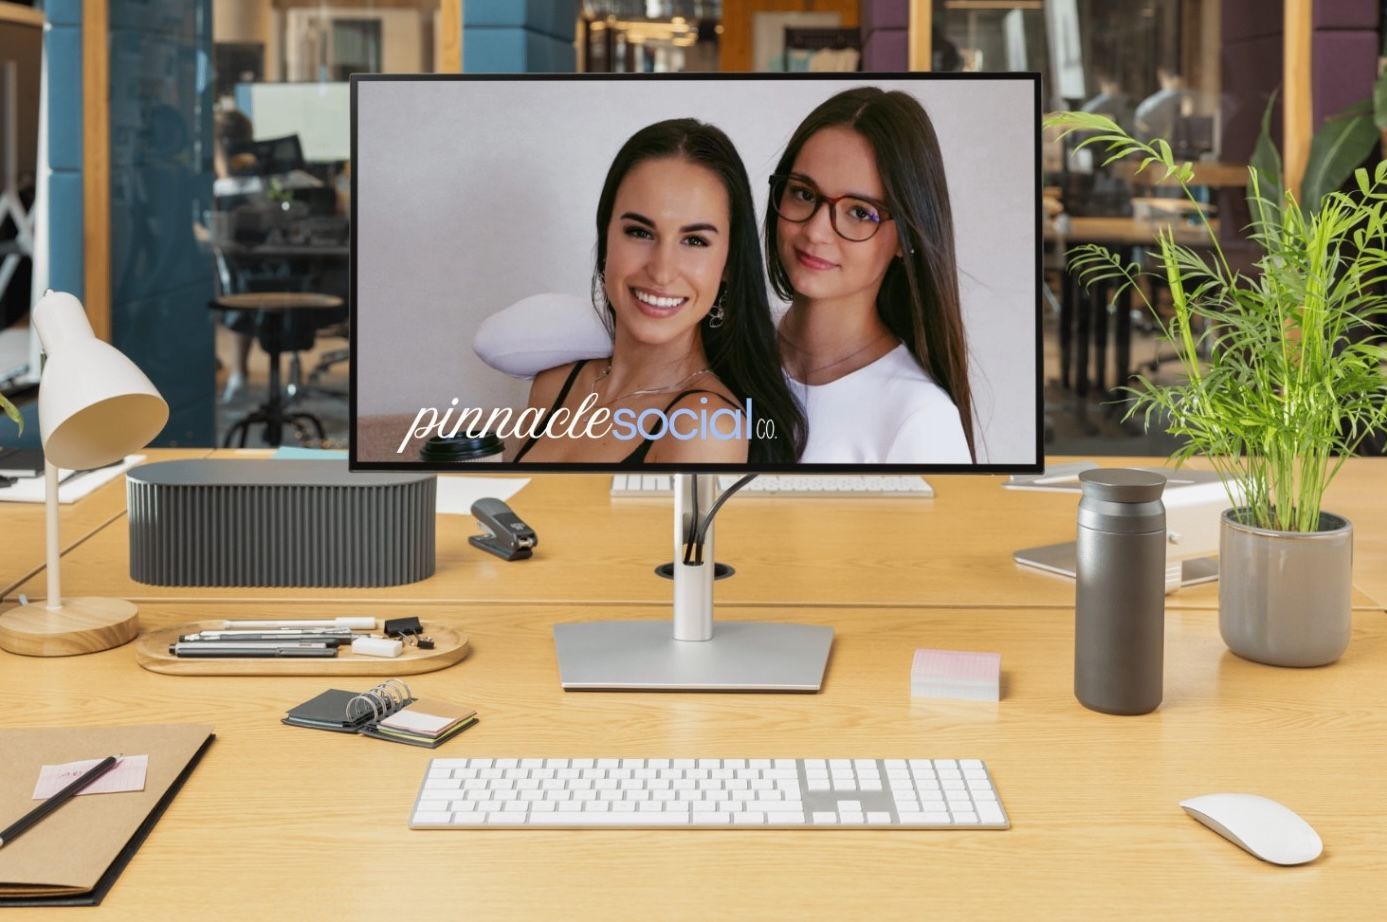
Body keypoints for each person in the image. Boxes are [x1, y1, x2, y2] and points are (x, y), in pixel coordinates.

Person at [511, 119, 805, 465]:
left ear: (728, 265)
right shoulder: (553, 385)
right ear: (606, 238)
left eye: (694, 241)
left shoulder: (704, 429)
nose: (662, 272)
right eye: (639, 232)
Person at [765, 86, 974, 463]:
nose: (815, 231)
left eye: (860, 212)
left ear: (904, 238)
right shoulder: (727, 354)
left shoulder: (919, 419)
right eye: (803, 193)